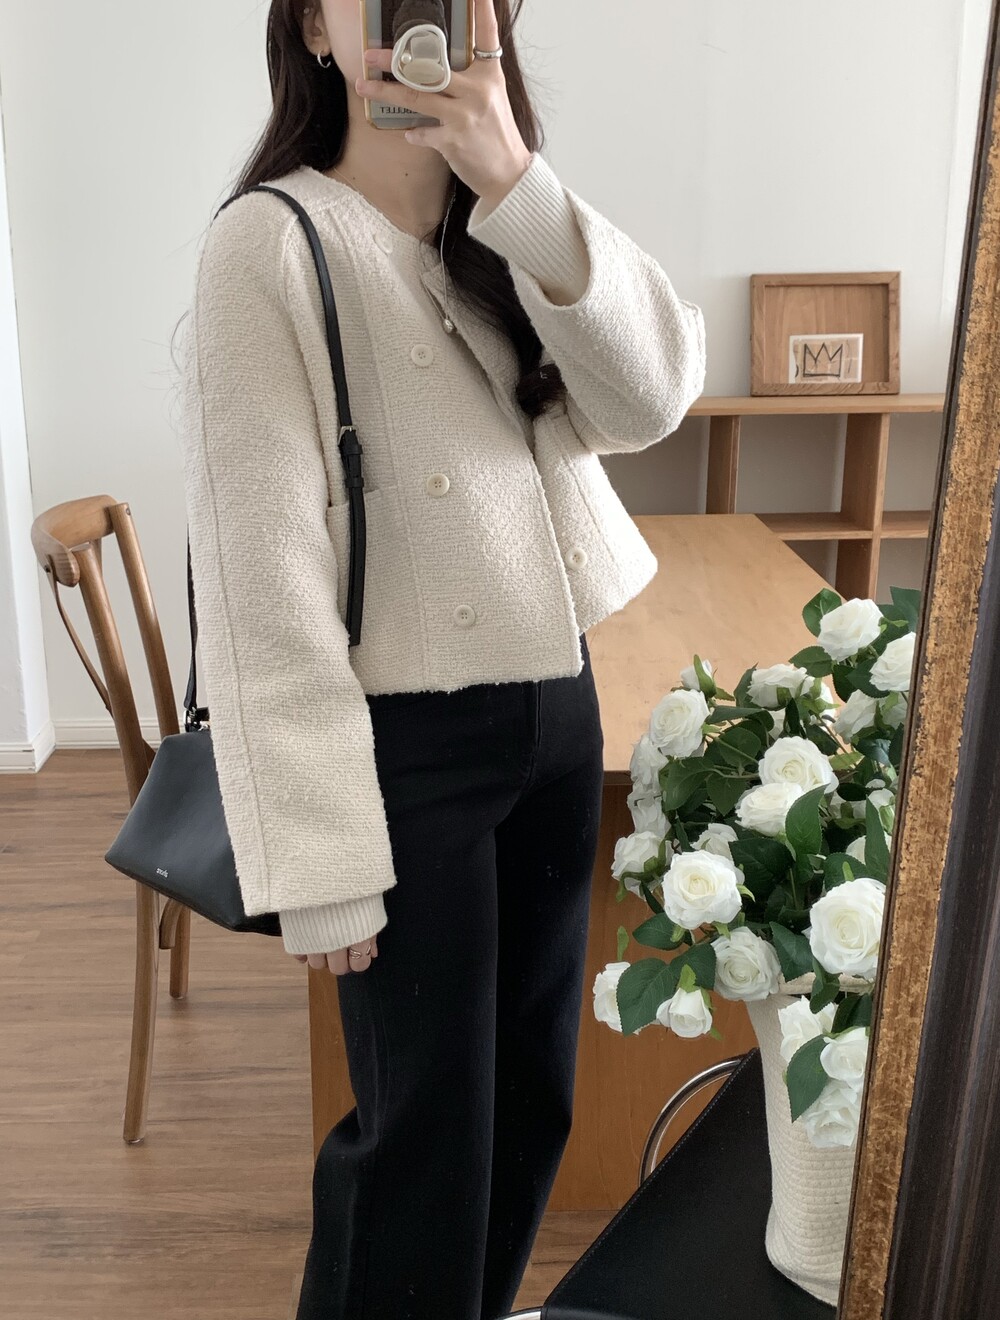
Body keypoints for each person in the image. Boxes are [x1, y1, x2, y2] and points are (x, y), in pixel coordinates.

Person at [176, 1, 705, 1316]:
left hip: (554, 710)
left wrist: (515, 179)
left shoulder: (503, 221)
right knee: (422, 1141)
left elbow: (650, 399)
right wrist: (321, 863)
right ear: (314, 29)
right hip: (398, 750)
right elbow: (259, 574)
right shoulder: (271, 242)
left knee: (529, 1110)